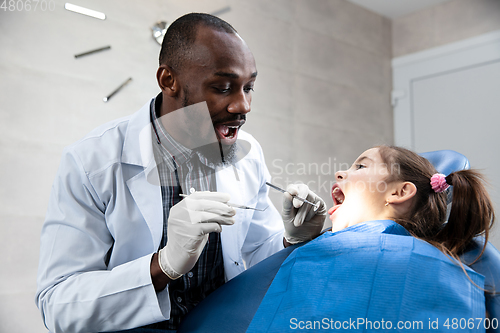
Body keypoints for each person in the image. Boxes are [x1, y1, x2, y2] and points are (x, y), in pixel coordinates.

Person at [35, 13, 326, 333]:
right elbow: (57, 304)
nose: (243, 106)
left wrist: (291, 239)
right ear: (168, 80)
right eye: (223, 87)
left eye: (249, 87)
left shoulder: (248, 153)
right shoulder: (91, 161)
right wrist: (164, 265)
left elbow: (255, 252)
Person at [176, 145, 498, 333]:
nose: (339, 174)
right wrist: (297, 243)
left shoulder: (362, 253)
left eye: (360, 166)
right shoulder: (440, 261)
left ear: (400, 192)